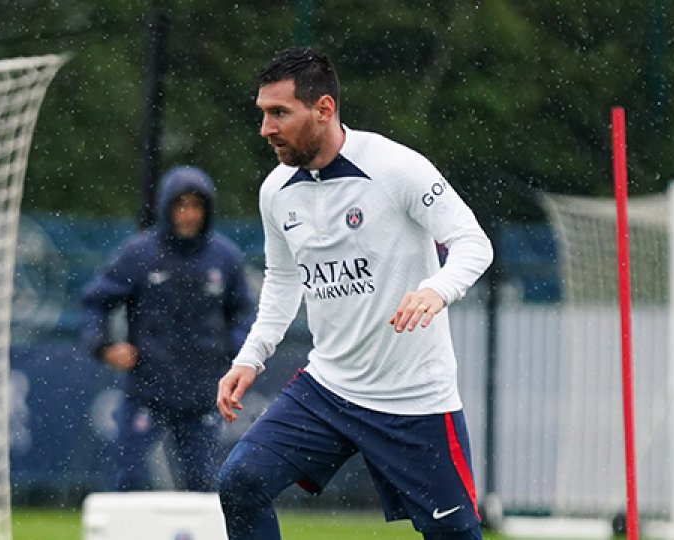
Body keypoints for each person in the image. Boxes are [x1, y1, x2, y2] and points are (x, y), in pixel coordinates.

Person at [216, 47, 494, 540]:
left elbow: (473, 243)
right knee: (240, 481)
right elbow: (284, 280)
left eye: (279, 113)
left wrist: (437, 289)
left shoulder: (396, 168)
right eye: (263, 114)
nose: (266, 129)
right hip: (330, 391)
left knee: (458, 535)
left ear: (324, 109)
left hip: (415, 400)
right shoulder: (275, 191)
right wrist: (251, 357)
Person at [80, 165, 255, 492]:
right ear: (166, 207)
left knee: (203, 487)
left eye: (196, 205)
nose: (188, 214)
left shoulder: (225, 256)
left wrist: (235, 353)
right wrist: (104, 346)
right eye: (180, 205)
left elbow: (243, 313)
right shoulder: (139, 253)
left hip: (203, 394)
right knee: (127, 482)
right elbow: (95, 301)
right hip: (147, 390)